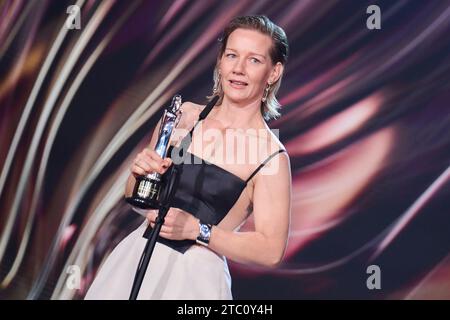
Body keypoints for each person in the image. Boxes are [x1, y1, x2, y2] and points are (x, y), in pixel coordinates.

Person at [85, 15, 291, 300]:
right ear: (220, 61)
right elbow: (136, 198)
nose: (239, 69)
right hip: (134, 260)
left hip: (195, 281)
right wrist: (138, 175)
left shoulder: (270, 155)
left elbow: (270, 250)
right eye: (232, 55)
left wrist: (198, 230)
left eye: (254, 60)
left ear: (273, 72)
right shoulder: (182, 117)